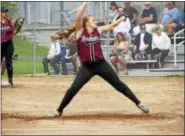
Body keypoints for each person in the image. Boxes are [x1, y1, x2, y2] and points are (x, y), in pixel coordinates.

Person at [48, 2, 149, 118]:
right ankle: (59, 110)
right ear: (86, 24)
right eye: (93, 20)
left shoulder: (99, 30)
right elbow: (78, 16)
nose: (95, 22)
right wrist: (85, 3)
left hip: (101, 65)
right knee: (73, 89)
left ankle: (139, 103)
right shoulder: (80, 31)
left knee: (119, 85)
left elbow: (111, 26)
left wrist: (121, 19)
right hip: (87, 67)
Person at [1, 7, 18, 87]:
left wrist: (16, 29)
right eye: (4, 12)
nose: (5, 13)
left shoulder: (10, 22)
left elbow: (14, 33)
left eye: (6, 12)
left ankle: (10, 81)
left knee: (9, 63)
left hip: (8, 44)